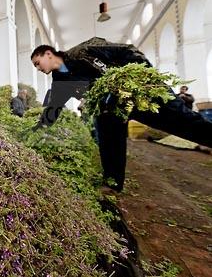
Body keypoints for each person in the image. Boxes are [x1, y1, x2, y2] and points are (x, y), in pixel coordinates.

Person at [31, 37, 212, 192]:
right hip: (111, 106)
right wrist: (36, 130)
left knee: (180, 119)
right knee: (107, 134)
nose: (38, 68)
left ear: (48, 53)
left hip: (140, 93)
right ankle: (113, 183)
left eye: (37, 63)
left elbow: (127, 51)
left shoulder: (83, 51)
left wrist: (140, 76)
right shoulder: (61, 80)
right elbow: (53, 108)